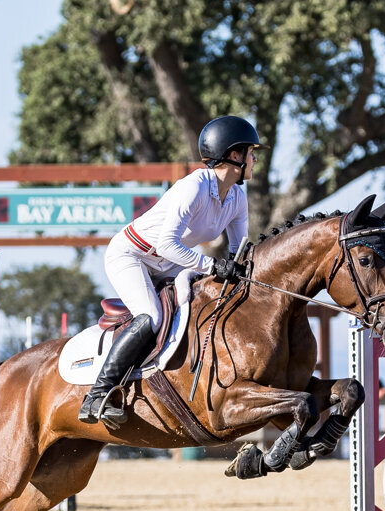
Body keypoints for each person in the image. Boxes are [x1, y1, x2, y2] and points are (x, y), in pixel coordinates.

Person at [79, 115, 266, 424]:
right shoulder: (193, 187)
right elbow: (167, 244)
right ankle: (98, 394)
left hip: (170, 260)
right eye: (250, 152)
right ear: (234, 155)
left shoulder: (237, 198)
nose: (254, 158)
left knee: (200, 300)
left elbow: (237, 253)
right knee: (151, 316)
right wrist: (210, 264)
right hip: (132, 254)